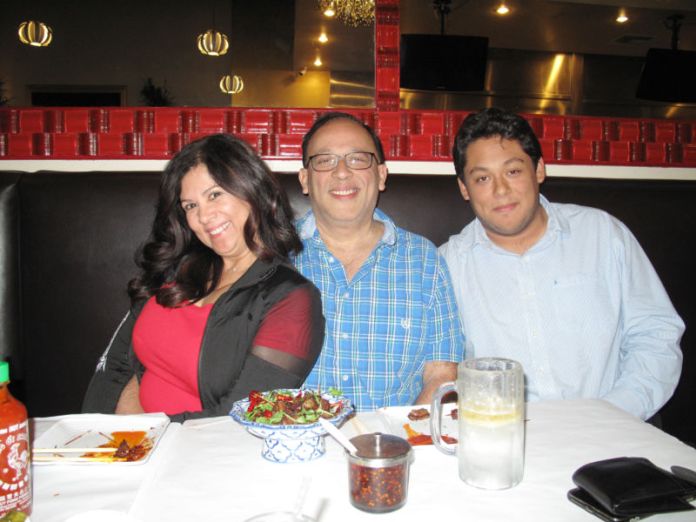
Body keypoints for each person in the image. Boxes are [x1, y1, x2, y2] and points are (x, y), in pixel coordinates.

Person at [439, 107, 684, 420]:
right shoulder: (447, 266)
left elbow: (654, 334)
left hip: (614, 425)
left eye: (513, 171)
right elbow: (440, 368)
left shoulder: (603, 234)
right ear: (464, 188)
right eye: (483, 178)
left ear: (539, 170)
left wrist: (613, 414)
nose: (500, 190)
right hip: (507, 435)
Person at [83, 134, 324, 422]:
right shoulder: (176, 268)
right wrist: (97, 431)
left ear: (253, 190)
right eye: (190, 206)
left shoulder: (290, 298)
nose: (204, 216)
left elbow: (238, 418)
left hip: (191, 446)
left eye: (214, 195)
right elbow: (114, 364)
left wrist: (144, 432)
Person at [294, 112, 465, 411]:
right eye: (325, 160)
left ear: (381, 175)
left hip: (396, 437)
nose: (342, 172)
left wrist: (401, 436)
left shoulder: (424, 261)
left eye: (358, 159)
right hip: (295, 436)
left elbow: (441, 375)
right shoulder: (273, 256)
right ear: (305, 179)